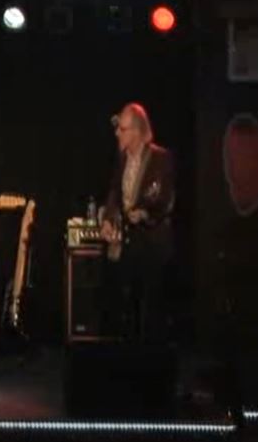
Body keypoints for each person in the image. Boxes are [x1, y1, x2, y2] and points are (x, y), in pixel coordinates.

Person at [100, 102, 175, 345]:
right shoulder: (122, 158)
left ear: (137, 131)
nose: (117, 133)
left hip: (152, 246)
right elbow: (114, 193)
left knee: (150, 314)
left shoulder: (160, 159)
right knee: (126, 310)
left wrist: (144, 213)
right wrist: (108, 219)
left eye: (122, 129)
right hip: (129, 246)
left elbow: (165, 198)